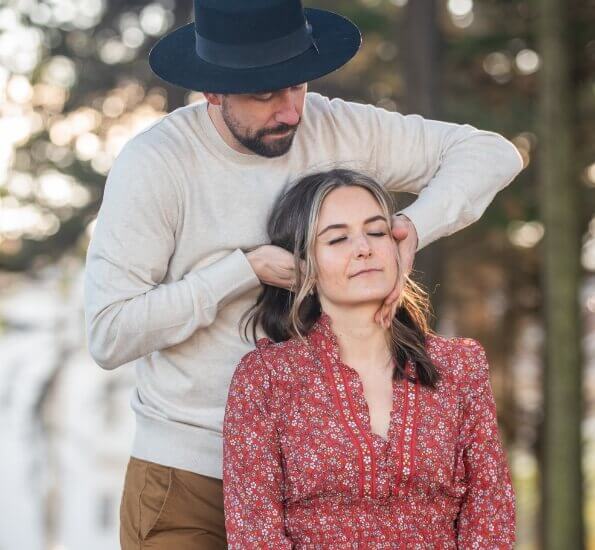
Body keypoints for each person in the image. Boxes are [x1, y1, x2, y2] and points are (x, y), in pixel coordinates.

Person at [83, 0, 522, 548]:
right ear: (212, 91)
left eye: (297, 86)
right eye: (265, 95)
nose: (290, 111)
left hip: (320, 474)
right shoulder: (157, 165)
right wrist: (241, 271)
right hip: (190, 472)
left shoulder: (338, 126)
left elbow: (490, 153)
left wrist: (409, 229)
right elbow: (109, 332)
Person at [223, 168, 515, 548]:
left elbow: (490, 516)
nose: (364, 248)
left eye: (377, 232)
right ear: (302, 265)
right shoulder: (266, 377)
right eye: (338, 238)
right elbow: (254, 533)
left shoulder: (460, 365)